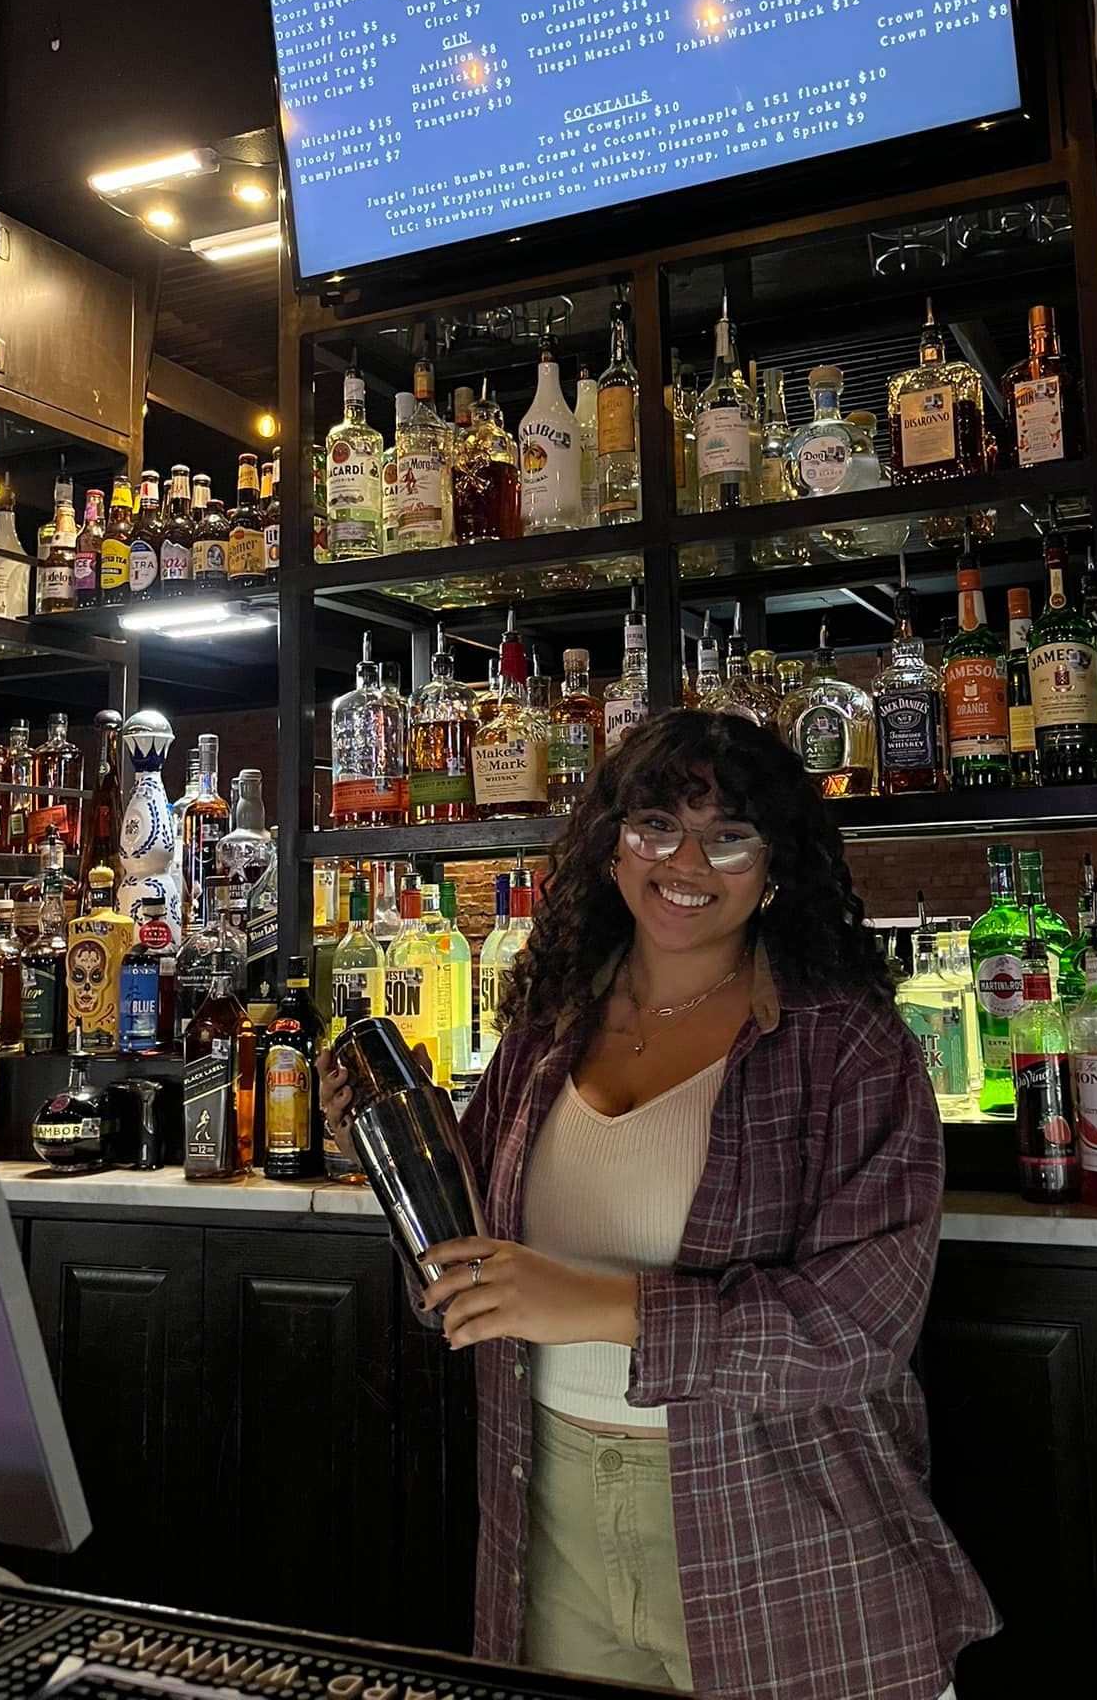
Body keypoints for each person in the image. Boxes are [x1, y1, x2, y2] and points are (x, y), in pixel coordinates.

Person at [319, 710, 996, 1700]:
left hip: (778, 1528)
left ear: (778, 867)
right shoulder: (551, 1025)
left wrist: (594, 1302)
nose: (686, 860)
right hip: (547, 1513)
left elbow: (860, 1326)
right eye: (654, 826)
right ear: (609, 845)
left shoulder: (846, 1044)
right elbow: (463, 1273)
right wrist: (384, 1144)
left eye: (729, 834)